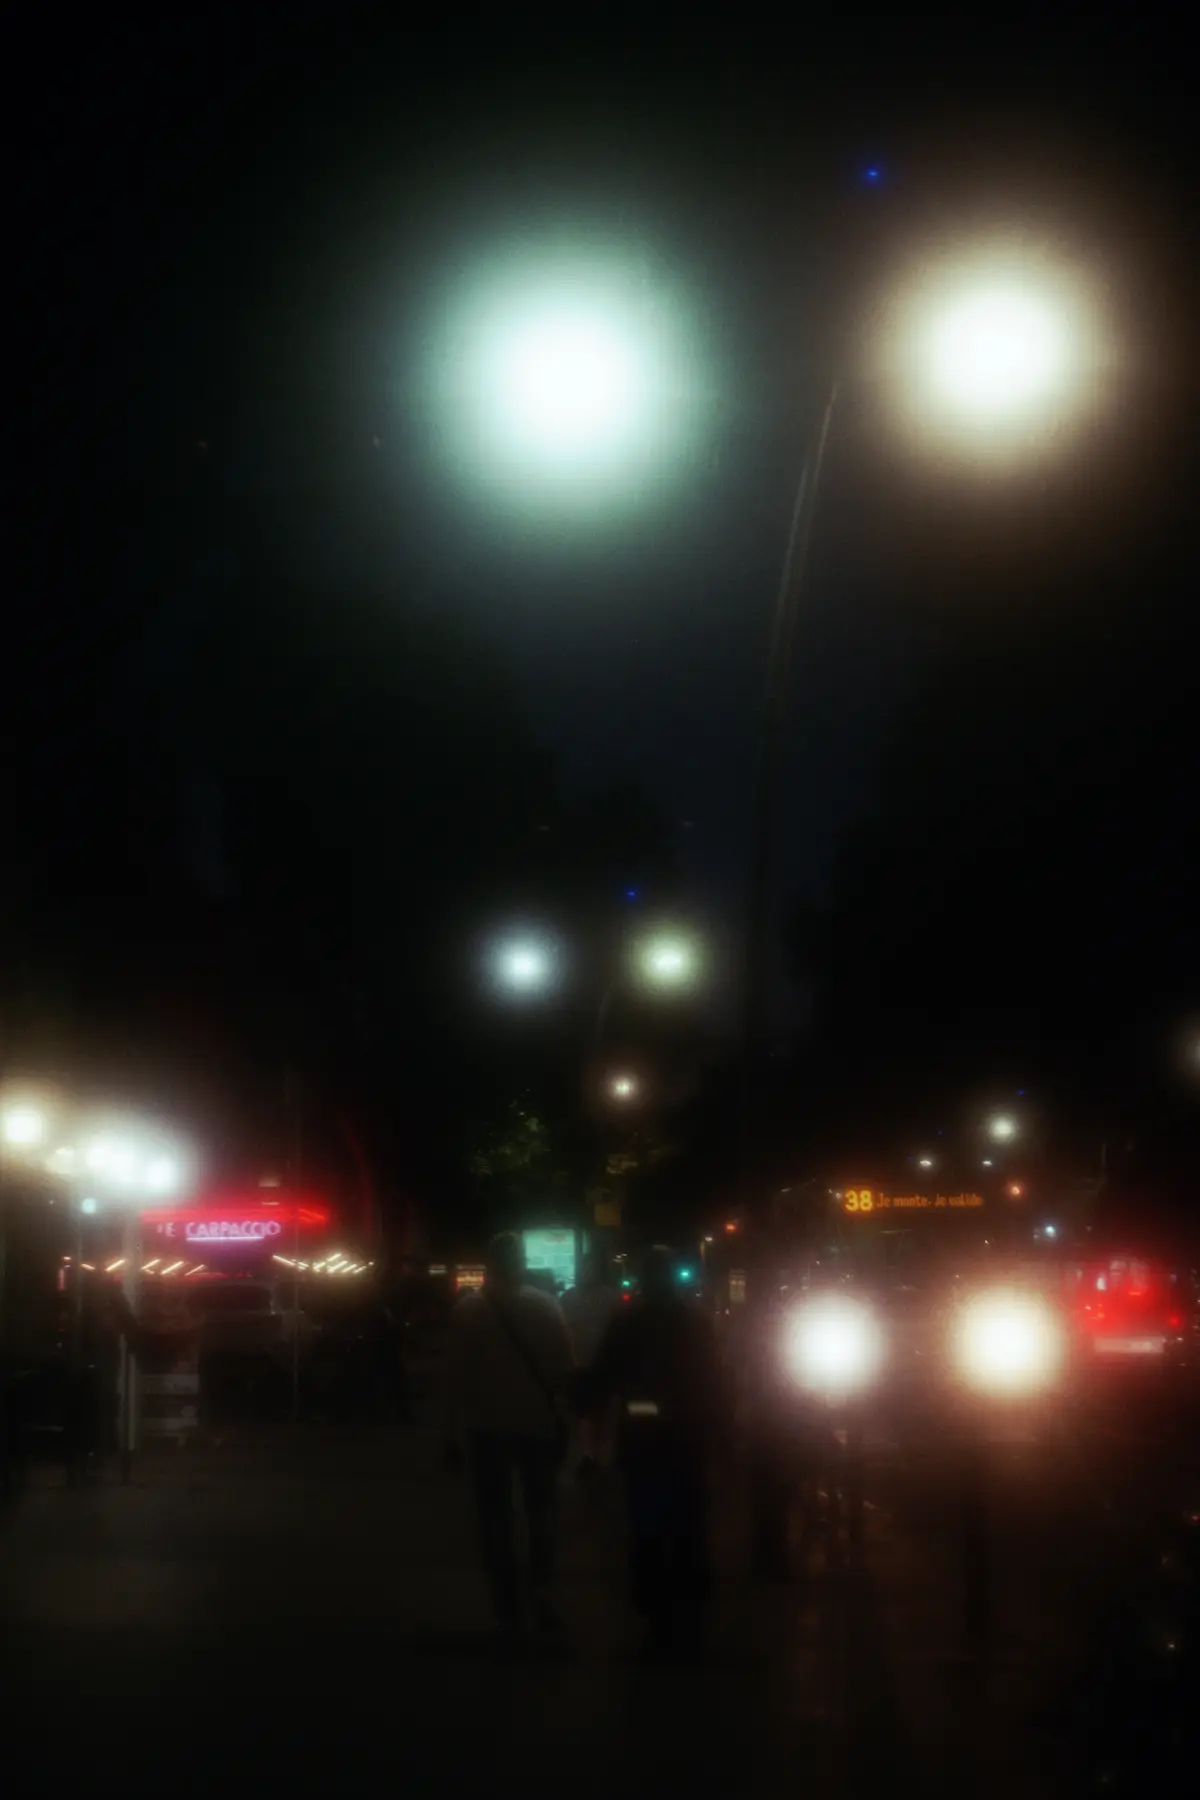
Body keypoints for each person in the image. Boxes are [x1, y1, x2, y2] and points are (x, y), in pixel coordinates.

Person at [589, 1245, 724, 1654]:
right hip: (687, 1440)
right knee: (688, 1524)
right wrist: (720, 1433)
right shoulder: (696, 1322)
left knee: (646, 1527)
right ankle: (688, 1599)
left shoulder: (626, 1322)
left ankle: (653, 1606)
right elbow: (716, 1380)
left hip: (642, 1442)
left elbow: (604, 1373)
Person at [445, 1231, 574, 1645]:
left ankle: (507, 1609)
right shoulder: (546, 1307)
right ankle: (543, 1596)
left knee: (495, 1521)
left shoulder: (468, 1312)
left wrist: (450, 1433)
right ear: (521, 1264)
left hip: (486, 1427)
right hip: (537, 1426)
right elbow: (563, 1369)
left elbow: (455, 1377)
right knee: (541, 1513)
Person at [560, 1253, 621, 1475]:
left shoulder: (610, 1298)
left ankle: (599, 1454)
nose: (587, 1272)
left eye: (591, 1267)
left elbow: (618, 1330)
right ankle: (589, 1454)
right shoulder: (568, 1298)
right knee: (583, 1413)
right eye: (584, 1267)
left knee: (601, 1412)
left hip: (604, 1366)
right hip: (579, 1365)